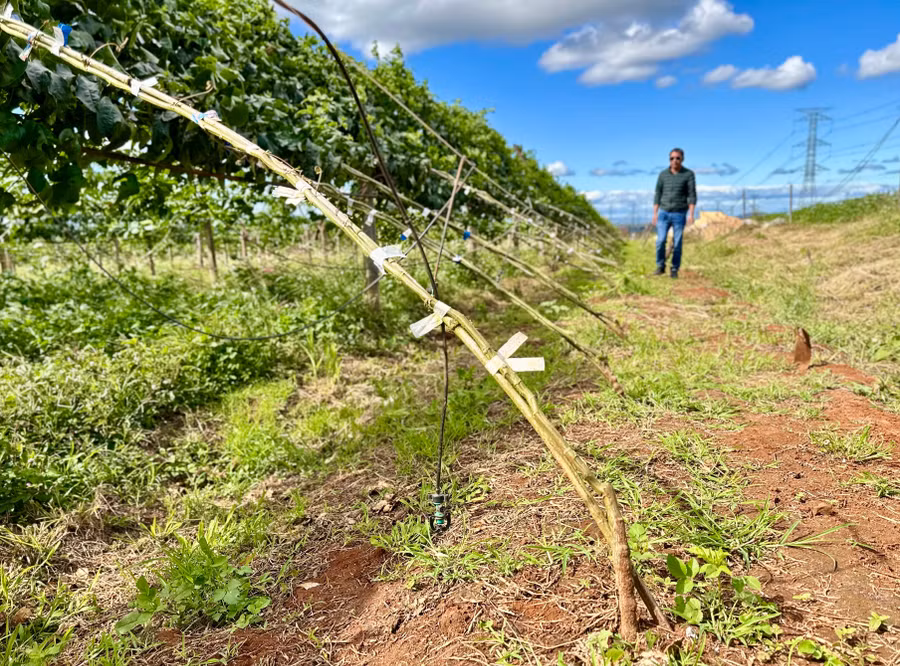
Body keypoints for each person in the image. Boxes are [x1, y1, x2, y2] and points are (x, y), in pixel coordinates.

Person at [652, 148, 696, 278]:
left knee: (677, 243)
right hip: (663, 213)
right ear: (669, 159)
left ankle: (674, 269)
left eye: (677, 158)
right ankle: (660, 266)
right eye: (672, 158)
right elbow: (658, 194)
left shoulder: (688, 174)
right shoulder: (662, 175)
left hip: (679, 213)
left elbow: (692, 195)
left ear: (682, 159)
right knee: (660, 241)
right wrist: (655, 213)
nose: (675, 160)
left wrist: (691, 214)